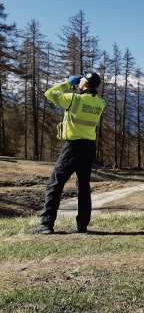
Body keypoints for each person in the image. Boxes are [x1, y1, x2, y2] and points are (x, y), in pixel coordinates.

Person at [34, 71, 105, 234]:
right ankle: (82, 226)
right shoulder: (101, 103)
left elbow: (50, 93)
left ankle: (46, 225)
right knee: (83, 187)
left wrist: (68, 83)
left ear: (85, 84)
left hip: (72, 147)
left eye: (81, 81)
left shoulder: (74, 99)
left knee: (55, 184)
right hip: (89, 147)